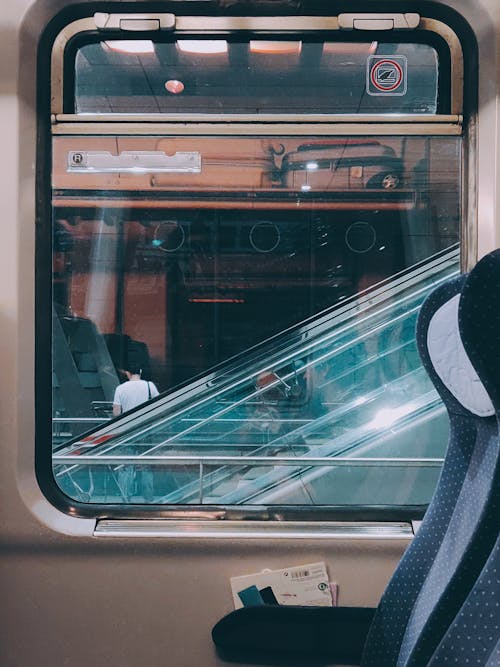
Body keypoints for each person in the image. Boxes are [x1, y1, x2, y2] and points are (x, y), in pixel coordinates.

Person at [112, 367, 159, 501]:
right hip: (146, 432)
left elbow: (116, 412)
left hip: (127, 433)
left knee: (126, 466)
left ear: (127, 372)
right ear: (140, 371)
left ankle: (126, 498)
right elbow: (159, 406)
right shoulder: (150, 386)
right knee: (146, 466)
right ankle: (148, 499)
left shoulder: (120, 388)